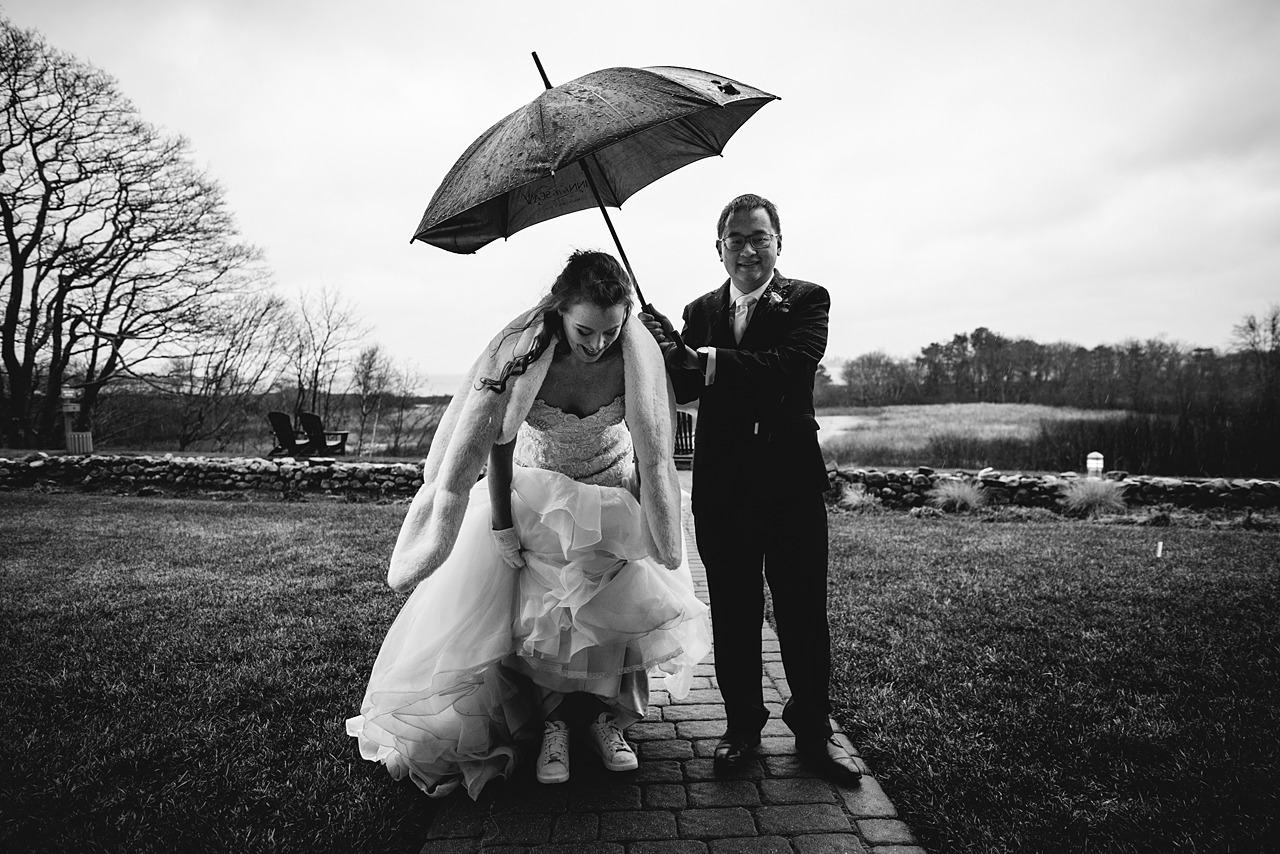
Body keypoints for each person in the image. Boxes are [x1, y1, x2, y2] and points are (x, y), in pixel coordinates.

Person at [346, 250, 710, 800]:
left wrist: (671, 352)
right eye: (585, 330)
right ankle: (555, 727)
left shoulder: (638, 354)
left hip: (613, 500)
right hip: (537, 499)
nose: (597, 344)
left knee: (611, 618)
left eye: (611, 331)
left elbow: (657, 429)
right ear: (561, 313)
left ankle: (606, 722)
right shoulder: (528, 356)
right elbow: (497, 442)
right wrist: (500, 523)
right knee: (544, 626)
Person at [640, 194, 861, 784]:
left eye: (759, 237)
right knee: (734, 613)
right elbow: (686, 390)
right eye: (735, 239)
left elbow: (788, 365)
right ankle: (742, 729)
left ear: (779, 244)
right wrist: (661, 345)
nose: (747, 248)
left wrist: (704, 360)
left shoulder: (809, 301)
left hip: (790, 485)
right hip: (722, 488)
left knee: (802, 613)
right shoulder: (698, 310)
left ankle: (814, 732)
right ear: (718, 249)